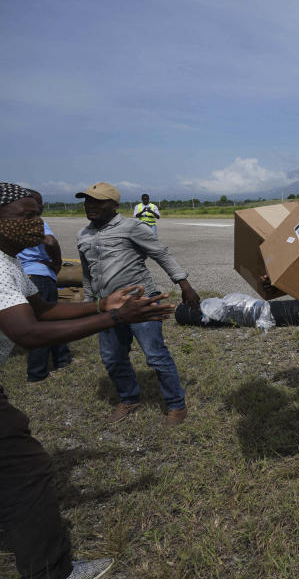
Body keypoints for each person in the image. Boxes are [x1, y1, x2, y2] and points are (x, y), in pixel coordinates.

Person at [0, 182, 174, 579]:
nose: (37, 223)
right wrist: (114, 318)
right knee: (27, 473)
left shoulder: (9, 263)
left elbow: (42, 310)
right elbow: (28, 333)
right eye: (26, 216)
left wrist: (100, 305)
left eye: (38, 213)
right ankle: (51, 572)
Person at [76, 182, 200, 426]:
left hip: (141, 302)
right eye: (87, 201)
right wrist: (90, 304)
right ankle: (129, 398)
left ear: (113, 205)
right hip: (108, 306)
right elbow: (87, 274)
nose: (90, 206)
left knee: (155, 355)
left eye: (97, 201)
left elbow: (161, 253)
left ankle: (176, 405)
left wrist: (184, 285)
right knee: (112, 357)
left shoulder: (132, 227)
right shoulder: (84, 234)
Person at [17, 189, 72, 382]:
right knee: (45, 322)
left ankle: (62, 359)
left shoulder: (10, 222)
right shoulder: (34, 220)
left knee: (47, 320)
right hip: (39, 276)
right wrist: (56, 263)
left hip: (21, 276)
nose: (40, 207)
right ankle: (37, 373)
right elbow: (49, 240)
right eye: (37, 202)